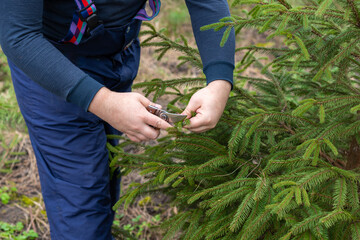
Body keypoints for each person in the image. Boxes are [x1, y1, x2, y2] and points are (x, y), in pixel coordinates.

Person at [0, 0, 235, 239]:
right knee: (81, 195)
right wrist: (105, 103)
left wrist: (219, 80)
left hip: (119, 50)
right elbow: (18, 35)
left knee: (106, 165)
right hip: (50, 65)